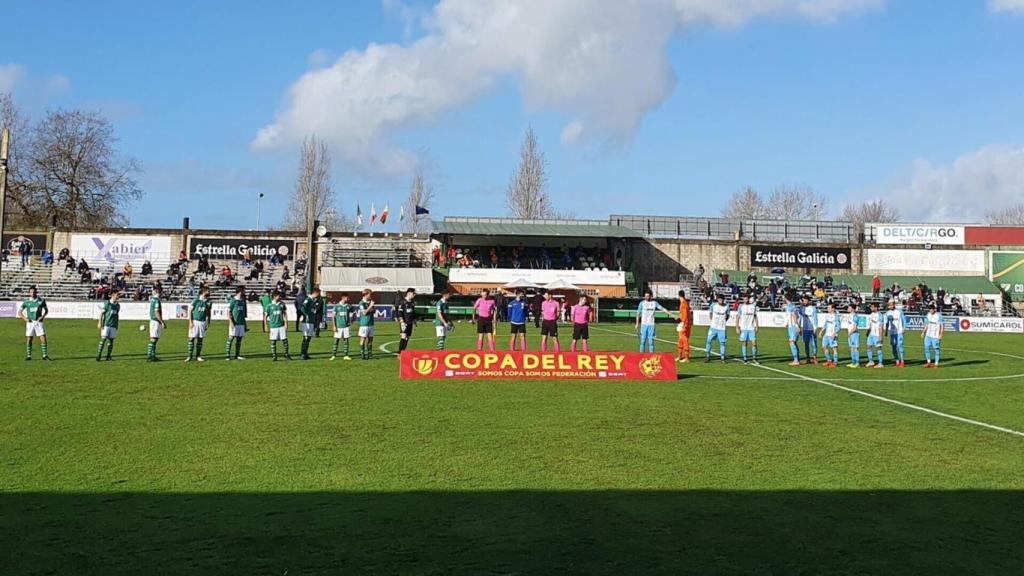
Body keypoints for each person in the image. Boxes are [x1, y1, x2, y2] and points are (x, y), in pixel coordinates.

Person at [19, 286, 50, 361]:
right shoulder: (26, 301)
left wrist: (43, 316)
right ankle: (29, 356)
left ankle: (45, 355)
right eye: (31, 292)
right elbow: (19, 312)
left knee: (43, 337)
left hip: (38, 322)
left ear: (36, 292)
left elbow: (46, 310)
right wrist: (25, 319)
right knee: (29, 338)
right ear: (29, 293)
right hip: (30, 322)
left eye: (34, 292)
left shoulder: (41, 300)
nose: (32, 293)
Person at [185, 287, 212, 362]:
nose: (209, 293)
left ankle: (198, 356)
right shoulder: (195, 300)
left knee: (200, 339)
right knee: (191, 338)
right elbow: (190, 311)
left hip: (202, 322)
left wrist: (208, 322)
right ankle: (189, 356)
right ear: (203, 292)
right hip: (195, 321)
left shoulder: (208, 302)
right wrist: (190, 322)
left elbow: (209, 313)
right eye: (208, 291)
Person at [264, 291, 291, 361]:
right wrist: (266, 325)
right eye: (279, 296)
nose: (280, 297)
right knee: (273, 341)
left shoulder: (282, 304)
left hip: (281, 325)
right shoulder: (269, 306)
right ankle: (274, 356)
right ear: (275, 296)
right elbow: (265, 316)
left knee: (285, 340)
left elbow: (285, 314)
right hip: (273, 326)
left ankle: (286, 354)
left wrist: (286, 323)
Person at [96, 290, 121, 361]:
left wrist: (116, 325)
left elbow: (116, 316)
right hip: (106, 324)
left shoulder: (118, 305)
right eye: (117, 295)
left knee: (111, 341)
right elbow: (101, 313)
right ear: (113, 295)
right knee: (103, 339)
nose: (118, 296)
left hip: (113, 325)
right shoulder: (107, 303)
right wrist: (100, 322)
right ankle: (99, 356)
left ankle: (108, 356)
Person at [705, 293, 730, 363]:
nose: (720, 300)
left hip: (722, 328)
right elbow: (710, 312)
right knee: (709, 340)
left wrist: (724, 320)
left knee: (722, 343)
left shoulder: (727, 306)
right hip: (713, 327)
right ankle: (708, 356)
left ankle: (722, 358)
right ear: (717, 300)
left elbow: (728, 315)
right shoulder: (713, 305)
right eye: (719, 299)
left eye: (722, 299)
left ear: (723, 300)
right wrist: (712, 319)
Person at [298, 287, 321, 360]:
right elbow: (302, 307)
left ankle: (305, 353)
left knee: (309, 337)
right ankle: (302, 354)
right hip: (306, 322)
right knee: (306, 337)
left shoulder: (313, 300)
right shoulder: (308, 299)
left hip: (311, 321)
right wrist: (306, 315)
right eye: (318, 293)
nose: (319, 295)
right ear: (315, 293)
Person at [226, 286, 248, 361]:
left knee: (239, 339)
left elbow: (243, 314)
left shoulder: (242, 301)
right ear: (240, 291)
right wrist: (231, 322)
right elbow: (228, 312)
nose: (245, 292)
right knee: (231, 338)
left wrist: (245, 325)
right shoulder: (233, 300)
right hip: (234, 323)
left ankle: (237, 355)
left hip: (241, 323)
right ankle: (227, 355)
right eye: (244, 290)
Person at [331, 294, 355, 360]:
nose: (348, 299)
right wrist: (334, 326)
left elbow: (354, 313)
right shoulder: (336, 306)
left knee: (346, 340)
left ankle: (346, 355)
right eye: (347, 298)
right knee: (336, 340)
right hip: (338, 326)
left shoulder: (349, 306)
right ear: (343, 298)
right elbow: (333, 316)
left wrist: (352, 321)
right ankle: (334, 355)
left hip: (346, 326)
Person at [884, 300, 907, 368]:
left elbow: (904, 320)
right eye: (889, 305)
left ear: (894, 305)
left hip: (899, 332)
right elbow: (887, 323)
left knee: (900, 346)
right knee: (893, 347)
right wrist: (886, 331)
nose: (890, 306)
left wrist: (904, 328)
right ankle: (897, 361)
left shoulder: (899, 311)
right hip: (892, 333)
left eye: (891, 304)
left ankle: (902, 362)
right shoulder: (887, 313)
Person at [736, 294, 758, 364]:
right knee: (744, 343)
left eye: (746, 299)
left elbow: (755, 316)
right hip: (743, 328)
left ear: (748, 299)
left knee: (754, 343)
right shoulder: (741, 306)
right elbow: (738, 317)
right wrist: (737, 327)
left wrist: (757, 326)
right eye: (744, 299)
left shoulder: (753, 306)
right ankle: (745, 358)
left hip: (751, 328)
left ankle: (754, 358)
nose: (745, 300)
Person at [818, 302, 841, 369]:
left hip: (832, 335)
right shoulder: (827, 315)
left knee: (834, 349)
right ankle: (829, 360)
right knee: (824, 346)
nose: (828, 309)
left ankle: (835, 362)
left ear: (833, 309)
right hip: (826, 334)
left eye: (829, 307)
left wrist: (834, 333)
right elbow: (825, 324)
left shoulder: (836, 316)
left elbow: (839, 327)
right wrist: (821, 332)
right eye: (827, 307)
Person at [147, 285, 166, 362]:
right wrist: (162, 322)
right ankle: (150, 356)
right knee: (154, 339)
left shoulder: (153, 300)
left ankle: (152, 356)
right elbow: (156, 312)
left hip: (153, 321)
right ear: (159, 292)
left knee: (155, 338)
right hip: (155, 321)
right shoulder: (156, 300)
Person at [923, 303, 944, 368]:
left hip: (935, 336)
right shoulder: (928, 315)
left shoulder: (939, 316)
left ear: (935, 309)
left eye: (932, 309)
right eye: (930, 309)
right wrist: (923, 332)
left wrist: (940, 335)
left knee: (936, 349)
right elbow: (927, 324)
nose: (930, 311)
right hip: (928, 335)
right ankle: (928, 362)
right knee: (926, 348)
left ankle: (936, 364)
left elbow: (942, 326)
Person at [396, 288, 418, 353]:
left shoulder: (412, 303)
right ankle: (399, 352)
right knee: (403, 336)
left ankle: (403, 352)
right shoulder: (402, 302)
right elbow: (399, 313)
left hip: (410, 323)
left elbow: (413, 313)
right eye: (413, 293)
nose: (414, 295)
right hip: (404, 322)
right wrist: (402, 322)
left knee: (407, 338)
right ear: (409, 293)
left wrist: (414, 322)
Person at [357, 289, 376, 360]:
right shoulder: (361, 302)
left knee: (371, 339)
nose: (371, 296)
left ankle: (370, 353)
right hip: (364, 324)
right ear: (366, 294)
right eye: (370, 294)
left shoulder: (370, 302)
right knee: (363, 339)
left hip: (371, 323)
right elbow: (364, 313)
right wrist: (370, 306)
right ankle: (362, 354)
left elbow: (374, 311)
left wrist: (372, 306)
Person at [865, 302, 885, 368]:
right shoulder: (871, 314)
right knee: (868, 347)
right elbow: (871, 324)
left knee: (878, 348)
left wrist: (881, 336)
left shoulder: (880, 315)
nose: (871, 308)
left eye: (872, 307)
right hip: (871, 334)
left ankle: (880, 363)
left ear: (876, 307)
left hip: (877, 334)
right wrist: (868, 331)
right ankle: (871, 361)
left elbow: (881, 326)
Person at [800, 295, 819, 365]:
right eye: (803, 300)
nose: (803, 301)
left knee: (814, 344)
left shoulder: (813, 308)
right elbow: (800, 315)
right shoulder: (802, 308)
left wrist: (815, 327)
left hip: (812, 329)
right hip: (805, 328)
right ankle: (807, 358)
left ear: (808, 300)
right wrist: (800, 327)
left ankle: (815, 357)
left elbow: (815, 318)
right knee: (806, 344)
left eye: (805, 300)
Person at [784, 292, 801, 366]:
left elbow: (794, 316)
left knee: (792, 342)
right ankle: (796, 359)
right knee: (793, 342)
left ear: (785, 298)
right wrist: (787, 323)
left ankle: (796, 360)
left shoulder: (790, 306)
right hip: (791, 326)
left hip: (793, 327)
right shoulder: (791, 306)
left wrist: (797, 326)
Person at [676, 291, 693, 363]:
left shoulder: (683, 304)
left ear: (679, 296)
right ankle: (680, 356)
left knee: (684, 340)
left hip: (684, 324)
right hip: (684, 323)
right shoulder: (685, 303)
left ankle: (686, 358)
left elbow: (685, 316)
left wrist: (683, 324)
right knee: (681, 340)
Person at [845, 304, 861, 369]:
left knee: (855, 348)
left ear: (853, 309)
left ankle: (857, 363)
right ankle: (853, 362)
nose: (848, 308)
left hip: (854, 334)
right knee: (852, 348)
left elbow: (855, 327)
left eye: (849, 307)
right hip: (851, 334)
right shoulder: (849, 315)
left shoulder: (855, 316)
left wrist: (850, 333)